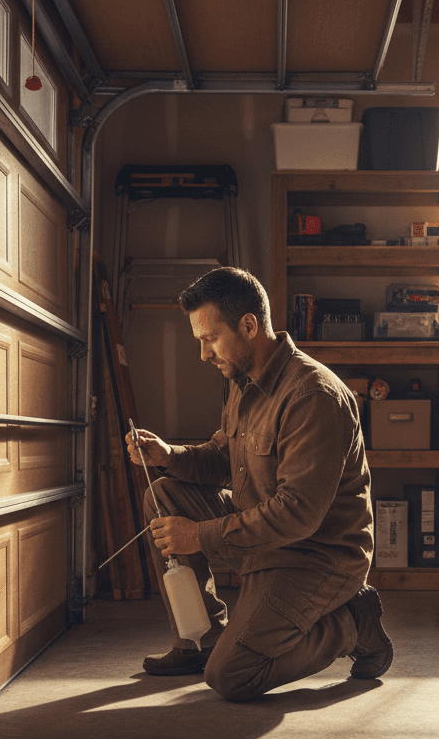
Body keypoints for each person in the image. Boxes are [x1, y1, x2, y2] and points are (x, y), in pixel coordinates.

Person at [125, 267, 392, 701]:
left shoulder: (313, 396)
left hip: (317, 555)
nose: (203, 354)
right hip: (268, 537)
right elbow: (224, 456)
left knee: (233, 675)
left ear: (249, 326)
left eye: (209, 339)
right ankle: (200, 637)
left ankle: (350, 623)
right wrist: (168, 456)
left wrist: (200, 536)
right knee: (164, 493)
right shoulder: (243, 379)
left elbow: (298, 514)